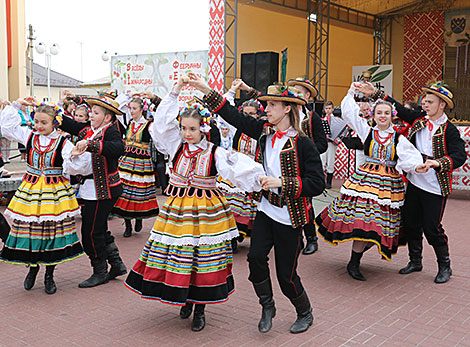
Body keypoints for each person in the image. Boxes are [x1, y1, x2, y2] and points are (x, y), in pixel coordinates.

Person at [124, 75, 264, 332]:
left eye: (192, 129)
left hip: (206, 214)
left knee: (203, 258)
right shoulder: (174, 146)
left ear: (204, 129)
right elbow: (159, 127)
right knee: (178, 256)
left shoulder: (215, 152)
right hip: (177, 212)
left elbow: (239, 169)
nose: (187, 134)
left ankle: (200, 307)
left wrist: (262, 180)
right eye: (184, 129)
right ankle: (184, 298)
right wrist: (175, 90)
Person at [189, 74, 325, 334]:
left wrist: (282, 183)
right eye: (266, 105)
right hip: (265, 210)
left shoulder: (303, 143)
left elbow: (317, 184)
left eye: (272, 105)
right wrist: (206, 89)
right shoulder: (265, 133)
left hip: (290, 216)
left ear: (288, 108)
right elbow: (234, 116)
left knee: (286, 276)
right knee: (255, 258)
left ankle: (304, 311)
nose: (266, 109)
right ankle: (267, 304)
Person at [358, 81, 467, 283]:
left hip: (435, 186)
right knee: (411, 223)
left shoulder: (449, 130)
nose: (424, 104)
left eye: (429, 102)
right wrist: (375, 93)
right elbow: (398, 108)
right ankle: (415, 261)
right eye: (424, 101)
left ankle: (445, 266)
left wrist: (438, 162)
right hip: (415, 182)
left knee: (432, 228)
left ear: (441, 104)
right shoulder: (419, 119)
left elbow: (460, 155)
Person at [315, 83, 425, 281]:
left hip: (388, 188)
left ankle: (355, 259)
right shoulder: (367, 131)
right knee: (365, 224)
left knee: (381, 228)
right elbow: (349, 112)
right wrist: (351, 92)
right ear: (374, 115)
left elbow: (411, 158)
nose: (383, 116)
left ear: (393, 116)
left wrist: (417, 167)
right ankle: (354, 262)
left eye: (386, 113)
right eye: (379, 113)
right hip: (365, 184)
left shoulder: (399, 138)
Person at [0, 97, 89, 294]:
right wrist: (16, 105)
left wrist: (75, 154)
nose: (38, 126)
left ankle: (49, 274)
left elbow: (73, 166)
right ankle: (32, 268)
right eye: (36, 121)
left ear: (54, 122)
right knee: (30, 231)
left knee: (52, 232)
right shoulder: (29, 136)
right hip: (30, 190)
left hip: (53, 192)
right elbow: (7, 128)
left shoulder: (63, 142)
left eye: (43, 122)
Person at [58, 95, 127, 288]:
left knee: (90, 233)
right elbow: (69, 124)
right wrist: (47, 111)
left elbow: (118, 148)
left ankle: (100, 271)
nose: (91, 116)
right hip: (92, 190)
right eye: (92, 112)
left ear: (107, 117)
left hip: (104, 191)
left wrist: (91, 145)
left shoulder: (110, 132)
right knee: (99, 229)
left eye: (96, 113)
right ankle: (116, 264)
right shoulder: (90, 130)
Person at [287, 77, 328, 255]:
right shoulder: (286, 114)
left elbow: (323, 144)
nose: (294, 94)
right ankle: (294, 239)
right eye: (293, 90)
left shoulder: (313, 118)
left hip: (306, 169)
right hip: (286, 166)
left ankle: (311, 238)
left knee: (306, 204)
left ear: (307, 95)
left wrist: (306, 152)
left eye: (299, 91)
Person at [112, 93, 159, 237]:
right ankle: (127, 225)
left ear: (141, 109)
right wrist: (128, 95)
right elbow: (117, 107)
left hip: (141, 163)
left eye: (134, 108)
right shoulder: (128, 122)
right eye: (130, 108)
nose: (131, 111)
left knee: (139, 193)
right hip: (126, 161)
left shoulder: (149, 125)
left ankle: (138, 218)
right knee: (124, 191)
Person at [321, 101, 338, 189]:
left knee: (331, 162)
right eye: (326, 108)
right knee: (322, 161)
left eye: (329, 108)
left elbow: (341, 131)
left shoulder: (336, 120)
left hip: (332, 142)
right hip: (324, 142)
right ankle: (321, 182)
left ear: (333, 109)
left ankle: (329, 183)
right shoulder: (322, 120)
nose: (328, 110)